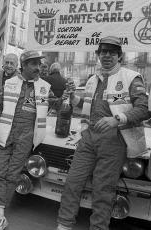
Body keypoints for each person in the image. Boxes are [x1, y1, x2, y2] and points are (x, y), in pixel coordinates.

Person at [56, 36, 149, 230]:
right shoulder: (92, 79)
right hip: (89, 138)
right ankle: (63, 225)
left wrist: (116, 120)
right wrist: (73, 98)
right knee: (72, 184)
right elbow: (87, 105)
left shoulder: (131, 77)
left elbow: (144, 109)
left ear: (119, 56)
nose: (107, 55)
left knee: (102, 193)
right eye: (103, 51)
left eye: (112, 52)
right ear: (98, 55)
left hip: (114, 141)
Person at [0, 50, 63, 230]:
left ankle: (0, 212)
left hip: (26, 136)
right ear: (24, 65)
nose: (38, 67)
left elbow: (56, 105)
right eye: (34, 64)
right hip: (6, 133)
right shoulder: (10, 82)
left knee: (13, 174)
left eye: (39, 64)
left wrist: (65, 97)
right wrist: (0, 122)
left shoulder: (45, 86)